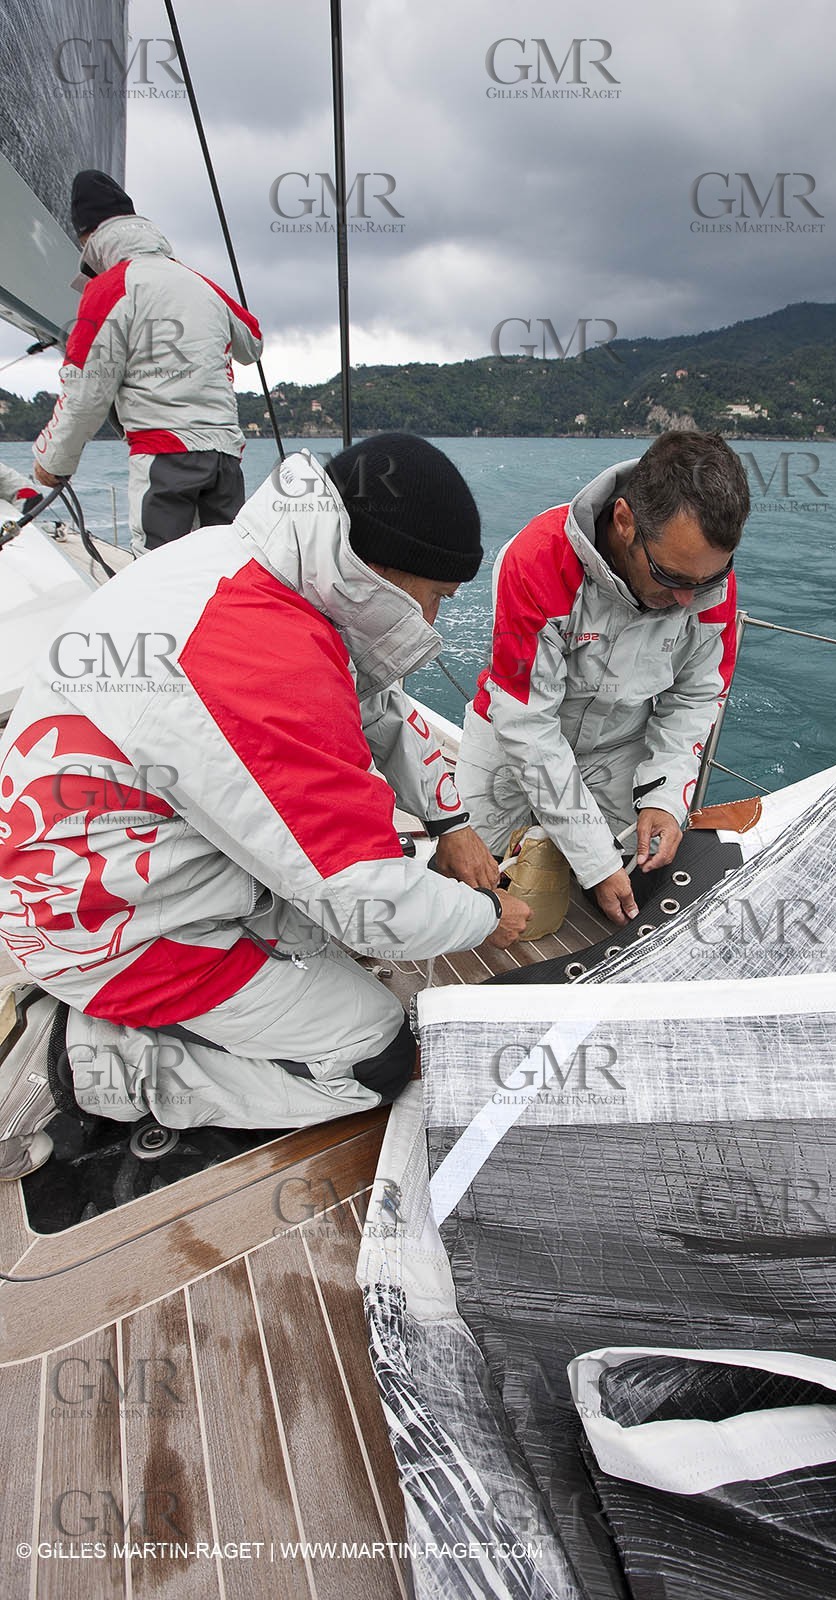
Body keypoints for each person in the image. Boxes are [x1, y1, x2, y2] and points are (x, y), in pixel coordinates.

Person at [0, 434, 529, 1129]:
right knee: (375, 1057)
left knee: (340, 942)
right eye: (432, 598)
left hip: (116, 863)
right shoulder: (263, 659)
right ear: (374, 571)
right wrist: (485, 920)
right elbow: (364, 897)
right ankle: (71, 1064)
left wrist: (449, 826)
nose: (429, 622)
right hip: (106, 926)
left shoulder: (251, 566)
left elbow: (374, 705)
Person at [455, 430, 749, 927]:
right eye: (672, 577)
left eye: (708, 581)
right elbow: (528, 727)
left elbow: (695, 699)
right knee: (469, 895)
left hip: (616, 750)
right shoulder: (537, 560)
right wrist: (594, 859)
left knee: (632, 892)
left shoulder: (704, 583)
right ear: (624, 522)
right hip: (510, 743)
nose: (688, 599)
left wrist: (664, 796)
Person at [33, 170, 263, 556]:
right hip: (225, 456)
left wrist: (52, 461)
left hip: (165, 457)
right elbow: (251, 342)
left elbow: (86, 394)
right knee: (221, 568)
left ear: (88, 239)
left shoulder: (109, 288)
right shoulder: (197, 281)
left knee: (158, 573)